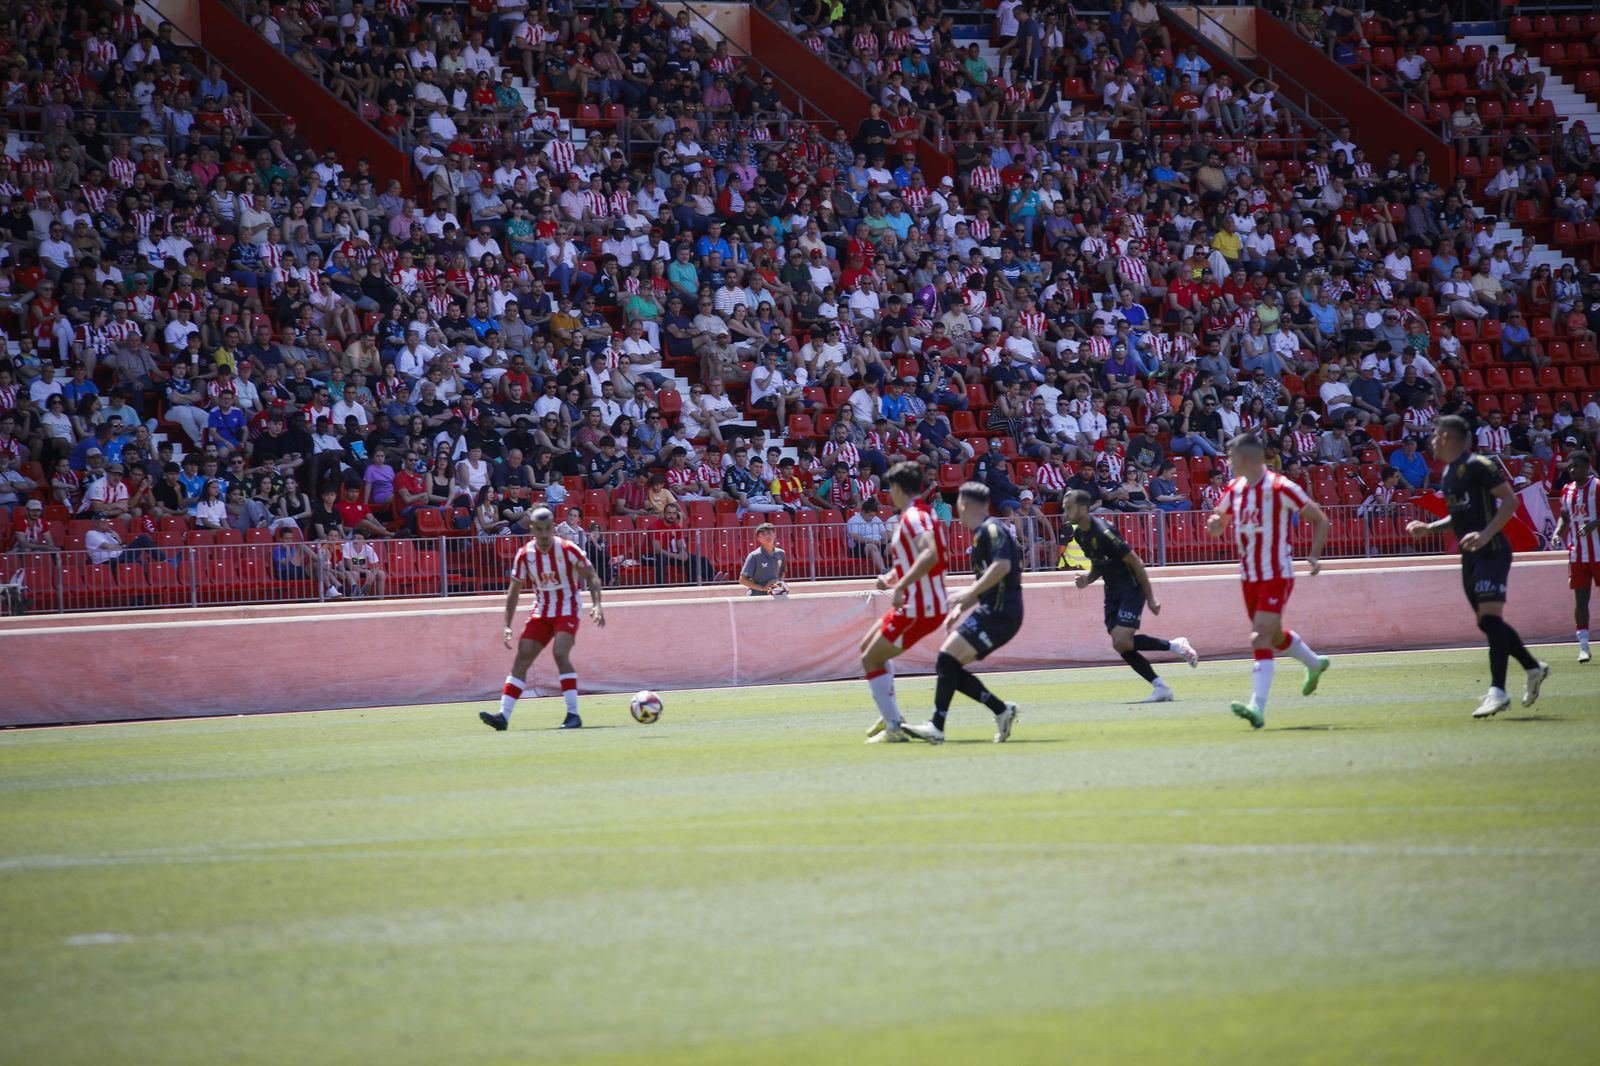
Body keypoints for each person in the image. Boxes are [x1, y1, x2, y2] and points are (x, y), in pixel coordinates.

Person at [1406, 416, 1548, 717]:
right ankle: (1532, 667)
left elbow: (1509, 502)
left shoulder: (1479, 465)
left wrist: (1485, 535)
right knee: (1486, 622)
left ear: (1446, 437)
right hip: (1470, 555)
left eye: (1434, 435)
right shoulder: (1447, 474)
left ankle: (1498, 691)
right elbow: (1458, 518)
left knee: (1491, 619)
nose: (1431, 440)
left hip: (1492, 550)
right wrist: (1428, 529)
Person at [1205, 433, 1332, 728]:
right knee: (1272, 635)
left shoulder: (1281, 487)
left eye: (1231, 457)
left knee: (1259, 636)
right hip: (1248, 575)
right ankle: (1315, 663)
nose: (1228, 462)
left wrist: (1314, 555)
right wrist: (1214, 525)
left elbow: (1320, 519)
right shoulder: (1234, 487)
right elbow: (1218, 522)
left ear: (1245, 458)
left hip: (1276, 573)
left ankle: (1257, 708)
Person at [901, 482, 1021, 744]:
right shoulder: (981, 535)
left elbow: (1002, 566)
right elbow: (985, 583)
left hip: (1002, 612)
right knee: (949, 663)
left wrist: (966, 595)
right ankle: (1001, 710)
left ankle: (937, 726)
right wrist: (960, 608)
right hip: (995, 610)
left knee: (946, 659)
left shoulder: (992, 530)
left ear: (964, 505)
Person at [1063, 490, 1200, 702]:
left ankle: (1169, 663)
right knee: (1121, 644)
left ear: (1083, 508)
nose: (1065, 512)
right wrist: (1087, 579)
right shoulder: (1080, 535)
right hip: (1111, 591)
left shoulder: (1105, 532)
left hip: (1131, 587)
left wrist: (1151, 598)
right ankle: (1165, 674)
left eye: (1069, 507)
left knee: (1122, 639)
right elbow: (1100, 563)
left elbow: (1136, 562)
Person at [480, 506, 606, 732]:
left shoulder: (568, 549)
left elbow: (592, 577)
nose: (545, 534)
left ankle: (573, 714)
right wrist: (507, 625)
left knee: (560, 652)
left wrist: (597, 604)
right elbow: (513, 591)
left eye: (549, 529)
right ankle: (503, 716)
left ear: (553, 527)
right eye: (540, 530)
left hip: (567, 606)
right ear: (532, 530)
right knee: (522, 658)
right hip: (542, 610)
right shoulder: (525, 554)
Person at [862, 462, 948, 744]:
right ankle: (891, 714)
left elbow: (930, 554)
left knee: (872, 657)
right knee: (869, 648)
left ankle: (894, 725)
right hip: (916, 603)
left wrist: (903, 585)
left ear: (897, 488)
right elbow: (916, 558)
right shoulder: (918, 514)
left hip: (921, 606)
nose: (888, 494)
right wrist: (891, 577)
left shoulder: (914, 517)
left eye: (890, 489)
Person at [1554, 451, 1598, 664]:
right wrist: (1557, 532)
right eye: (1570, 467)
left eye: (1576, 466)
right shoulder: (1567, 490)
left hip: (1599, 553)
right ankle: (1583, 646)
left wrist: (1594, 524)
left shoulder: (1597, 487)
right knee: (1581, 600)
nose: (1572, 470)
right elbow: (1564, 517)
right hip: (1577, 555)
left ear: (1587, 467)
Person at [739, 522, 787, 596]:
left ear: (774, 534)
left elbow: (782, 572)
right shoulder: (754, 556)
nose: (768, 536)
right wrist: (763, 588)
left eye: (769, 533)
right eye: (763, 534)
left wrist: (777, 584)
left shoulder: (781, 553)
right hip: (756, 596)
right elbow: (742, 580)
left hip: (774, 595)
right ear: (759, 539)